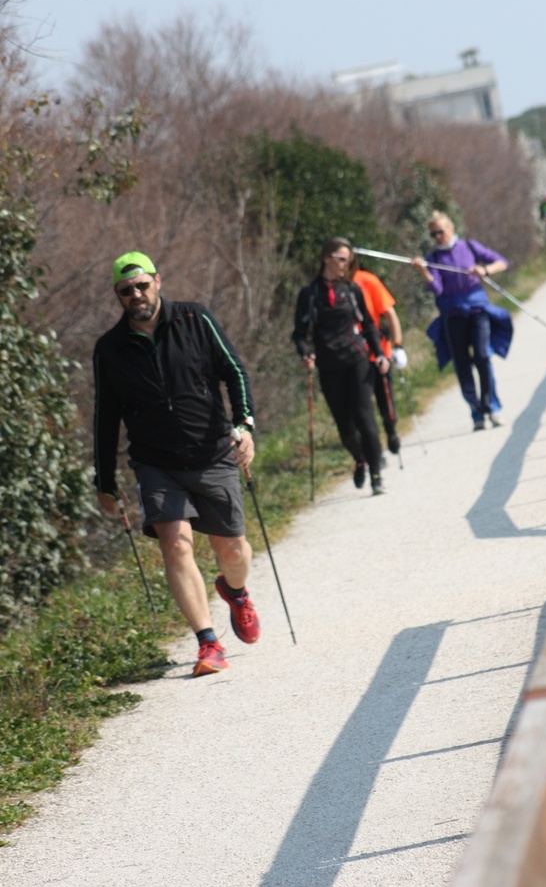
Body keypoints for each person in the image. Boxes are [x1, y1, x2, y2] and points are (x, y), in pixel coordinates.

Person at [93, 251, 260, 678]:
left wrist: (244, 426)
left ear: (158, 282)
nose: (136, 295)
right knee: (176, 543)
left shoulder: (195, 319)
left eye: (142, 285)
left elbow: (234, 371)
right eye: (126, 290)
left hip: (213, 452)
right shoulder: (109, 348)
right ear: (117, 295)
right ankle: (208, 642)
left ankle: (235, 592)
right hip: (156, 463)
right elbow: (105, 417)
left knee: (233, 551)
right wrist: (105, 481)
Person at [292, 237, 390, 495]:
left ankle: (376, 476)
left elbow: (368, 325)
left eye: (349, 260)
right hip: (328, 365)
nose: (346, 265)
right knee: (345, 426)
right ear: (327, 258)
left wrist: (380, 354)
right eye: (342, 259)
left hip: (357, 359)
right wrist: (306, 353)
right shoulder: (309, 294)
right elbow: (299, 334)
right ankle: (360, 458)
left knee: (365, 417)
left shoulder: (352, 290)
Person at [410, 211, 512, 431]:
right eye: (433, 234)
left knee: (483, 357)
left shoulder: (470, 247)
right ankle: (477, 413)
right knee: (462, 365)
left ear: (451, 228)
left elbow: (502, 262)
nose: (438, 237)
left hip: (477, 311)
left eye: (441, 232)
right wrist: (423, 272)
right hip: (453, 316)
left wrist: (484, 270)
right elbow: (437, 289)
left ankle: (492, 407)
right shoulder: (433, 259)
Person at [347, 253, 406, 456]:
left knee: (386, 402)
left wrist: (398, 345)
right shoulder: (332, 287)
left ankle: (391, 430)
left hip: (379, 353)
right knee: (361, 409)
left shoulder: (368, 280)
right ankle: (373, 451)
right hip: (353, 357)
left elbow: (390, 313)